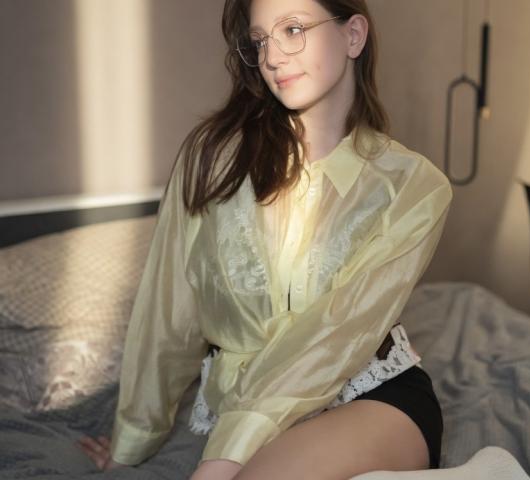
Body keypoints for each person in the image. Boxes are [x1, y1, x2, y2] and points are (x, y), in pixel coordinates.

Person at [77, 0, 452, 478]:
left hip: (369, 394)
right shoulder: (212, 159)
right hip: (245, 404)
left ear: (353, 35)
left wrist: (220, 461)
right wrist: (132, 439)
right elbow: (168, 311)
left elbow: (337, 331)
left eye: (293, 29)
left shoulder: (414, 185)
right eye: (259, 41)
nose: (272, 57)